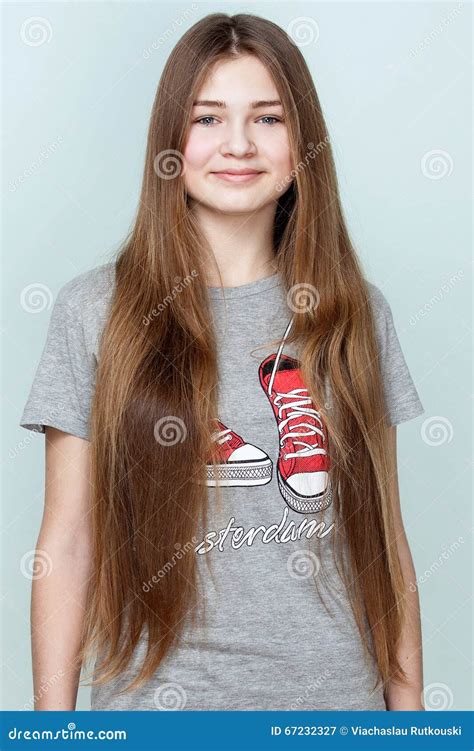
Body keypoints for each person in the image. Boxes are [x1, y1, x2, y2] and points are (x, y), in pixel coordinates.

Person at [19, 13, 426, 711]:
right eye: (208, 118)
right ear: (171, 142)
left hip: (333, 712)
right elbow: (69, 538)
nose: (237, 144)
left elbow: (384, 535)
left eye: (268, 119)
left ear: (303, 144)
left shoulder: (356, 312)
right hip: (155, 715)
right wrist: (53, 728)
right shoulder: (97, 312)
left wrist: (411, 716)